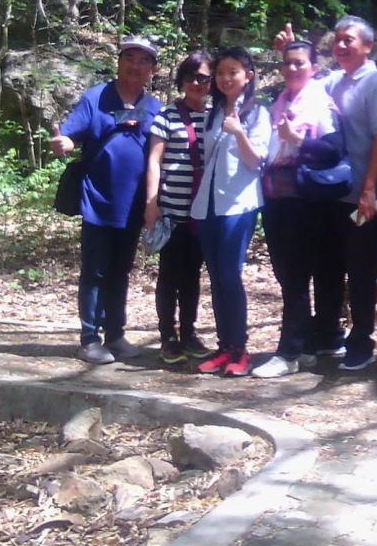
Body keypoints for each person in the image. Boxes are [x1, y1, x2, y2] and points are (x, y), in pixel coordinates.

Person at [276, 17, 377, 370]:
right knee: (327, 266)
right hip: (332, 193)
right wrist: (291, 49)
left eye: (350, 41)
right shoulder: (334, 80)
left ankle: (362, 341)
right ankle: (328, 334)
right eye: (338, 40)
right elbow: (305, 75)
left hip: (364, 195)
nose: (342, 46)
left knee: (361, 268)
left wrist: (370, 189)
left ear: (368, 46)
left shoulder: (376, 84)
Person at [51, 37, 163, 365]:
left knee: (121, 270)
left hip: (133, 205)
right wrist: (66, 143)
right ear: (119, 61)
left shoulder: (154, 107)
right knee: (95, 270)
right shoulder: (96, 97)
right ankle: (89, 339)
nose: (135, 65)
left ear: (152, 70)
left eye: (144, 60)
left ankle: (115, 333)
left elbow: (159, 154)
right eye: (129, 57)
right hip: (98, 200)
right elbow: (71, 135)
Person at [253, 40, 342, 379]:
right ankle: (305, 345)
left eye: (300, 63)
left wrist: (299, 140)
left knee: (294, 278)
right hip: (277, 198)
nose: (292, 69)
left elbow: (335, 150)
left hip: (304, 201)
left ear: (314, 69)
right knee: (289, 276)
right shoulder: (280, 103)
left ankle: (288, 352)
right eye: (288, 63)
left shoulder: (320, 103)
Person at [190, 47, 272, 377]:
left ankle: (240, 349)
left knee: (230, 275)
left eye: (233, 72)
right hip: (209, 203)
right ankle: (224, 347)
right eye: (221, 73)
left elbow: (256, 162)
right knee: (216, 276)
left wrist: (239, 133)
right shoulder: (212, 113)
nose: (226, 78)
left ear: (248, 76)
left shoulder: (256, 113)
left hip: (239, 204)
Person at [143, 50, 214, 366]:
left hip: (202, 215)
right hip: (171, 212)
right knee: (170, 276)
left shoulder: (216, 116)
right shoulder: (167, 115)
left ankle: (189, 333)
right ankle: (167, 336)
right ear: (182, 80)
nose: (197, 83)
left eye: (203, 77)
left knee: (192, 277)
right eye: (191, 77)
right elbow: (154, 162)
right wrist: (151, 205)